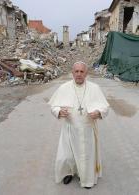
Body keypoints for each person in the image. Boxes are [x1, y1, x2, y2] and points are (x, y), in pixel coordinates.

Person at [48, 61, 109, 189]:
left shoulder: (94, 88)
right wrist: (59, 111)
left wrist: (98, 112)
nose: (79, 74)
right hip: (70, 128)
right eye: (76, 71)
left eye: (82, 71)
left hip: (88, 129)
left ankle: (86, 178)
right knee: (67, 155)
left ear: (86, 73)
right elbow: (54, 106)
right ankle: (69, 172)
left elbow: (105, 107)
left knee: (85, 155)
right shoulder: (64, 88)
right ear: (72, 73)